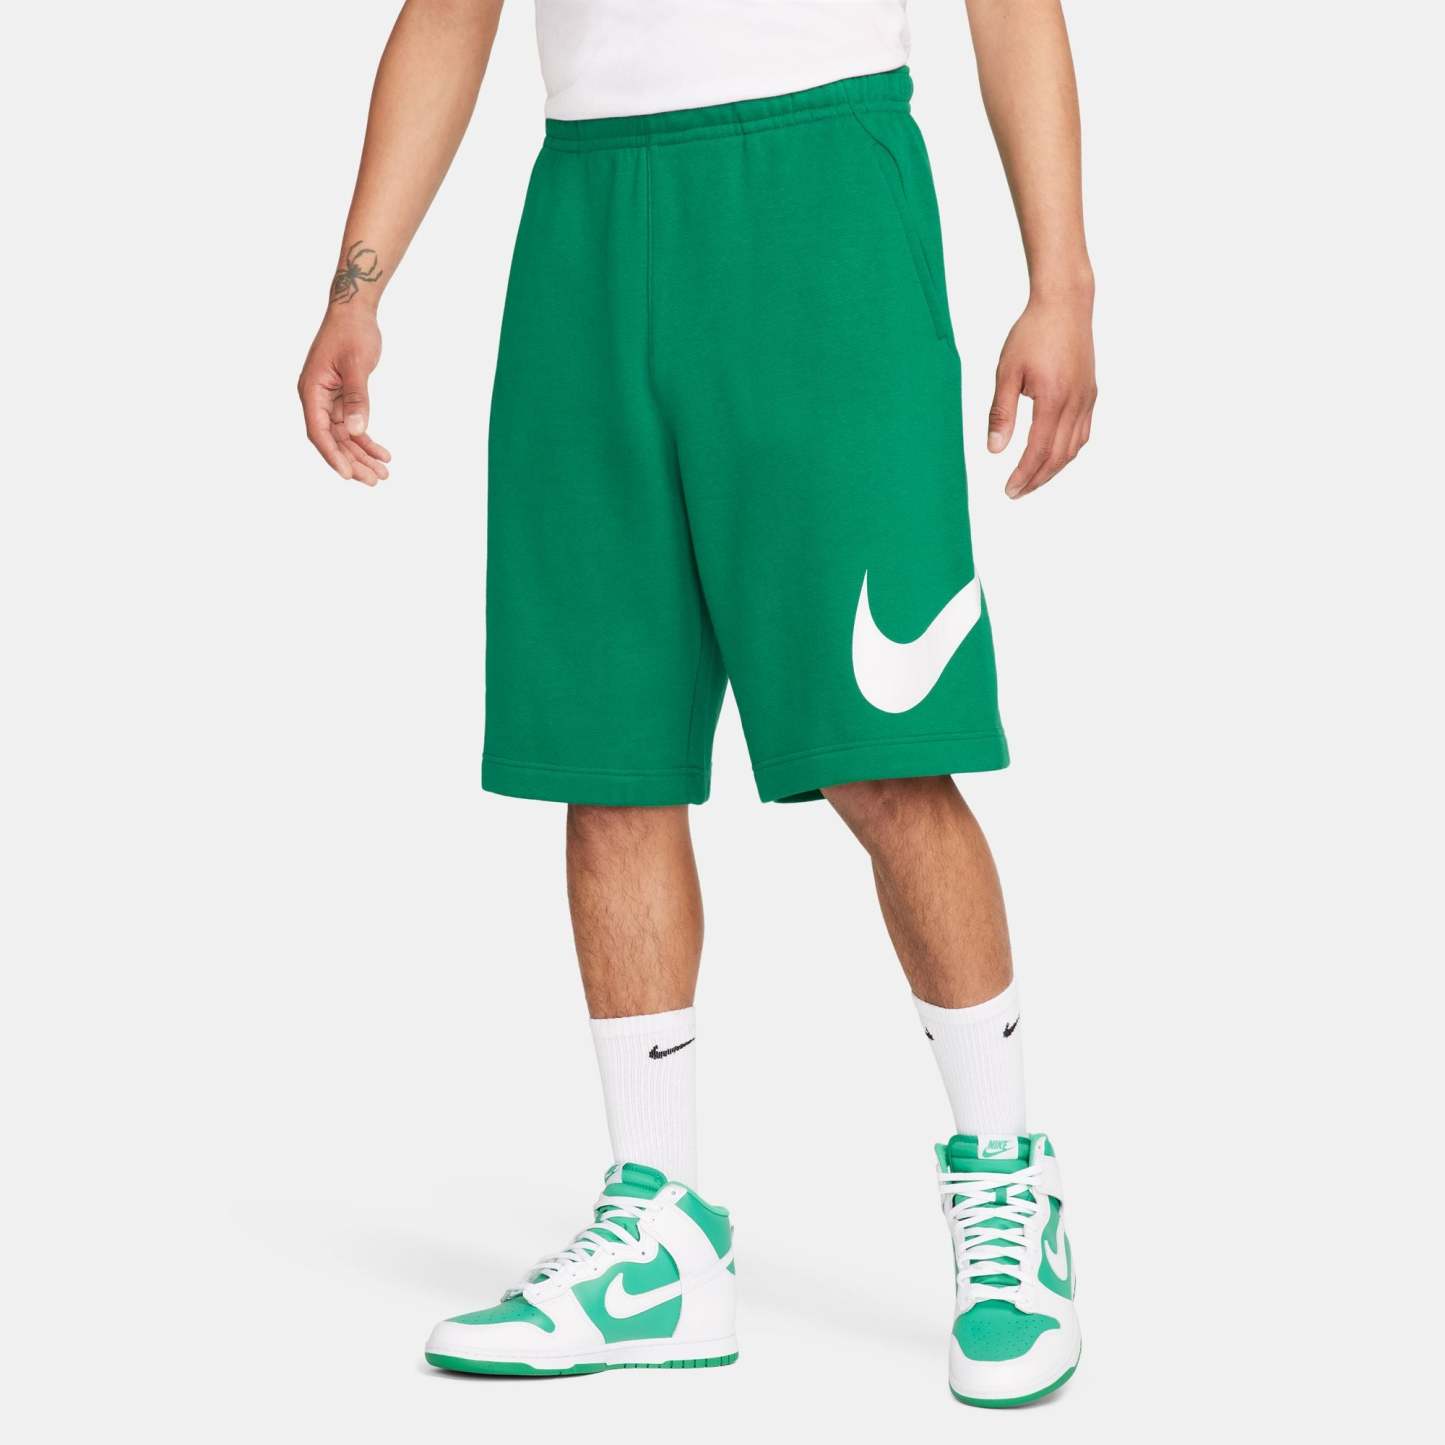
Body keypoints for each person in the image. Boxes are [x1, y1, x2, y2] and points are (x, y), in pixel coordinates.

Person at [298, 0, 1095, 1409]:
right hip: (588, 213)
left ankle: (1005, 1185)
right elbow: (449, 15)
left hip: (820, 193)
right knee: (606, 752)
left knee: (884, 750)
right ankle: (659, 1233)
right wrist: (358, 286)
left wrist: (1061, 280)